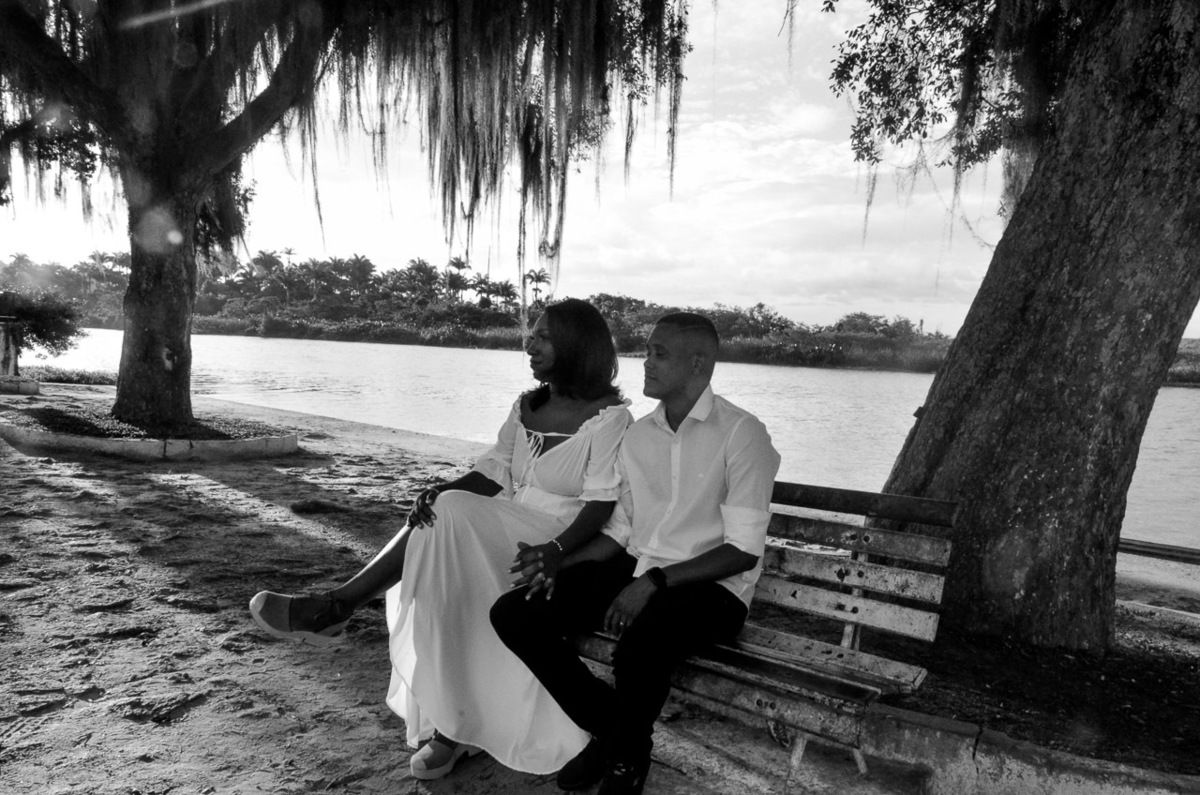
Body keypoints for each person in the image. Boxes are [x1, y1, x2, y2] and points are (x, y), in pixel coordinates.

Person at [248, 298, 632, 780]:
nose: (529, 344)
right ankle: (453, 724)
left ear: (578, 345)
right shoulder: (527, 405)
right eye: (531, 334)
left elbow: (600, 504)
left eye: (544, 336)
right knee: (438, 522)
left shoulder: (610, 418)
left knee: (447, 515)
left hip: (558, 540)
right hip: (502, 525)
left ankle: (338, 607)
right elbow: (492, 471)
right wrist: (442, 489)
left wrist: (554, 550)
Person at [490, 312, 780, 795]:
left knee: (641, 641)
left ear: (698, 364)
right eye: (645, 351)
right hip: (639, 570)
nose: (644, 363)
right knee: (516, 614)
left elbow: (743, 551)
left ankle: (623, 762)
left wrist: (652, 584)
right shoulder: (640, 436)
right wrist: (560, 561)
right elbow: (620, 532)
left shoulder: (742, 434)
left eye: (658, 354)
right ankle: (617, 734)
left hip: (713, 589)